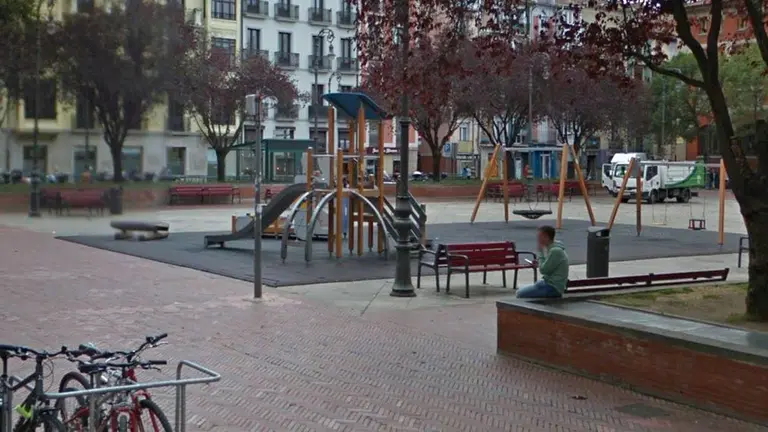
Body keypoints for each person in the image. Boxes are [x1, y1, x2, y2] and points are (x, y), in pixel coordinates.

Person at [516, 225, 569, 299]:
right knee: (520, 290)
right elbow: (548, 265)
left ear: (546, 237)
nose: (538, 239)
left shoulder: (555, 251)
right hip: (547, 283)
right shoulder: (552, 248)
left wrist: (540, 252)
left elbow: (543, 270)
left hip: (553, 287)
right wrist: (539, 262)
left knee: (520, 294)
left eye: (539, 236)